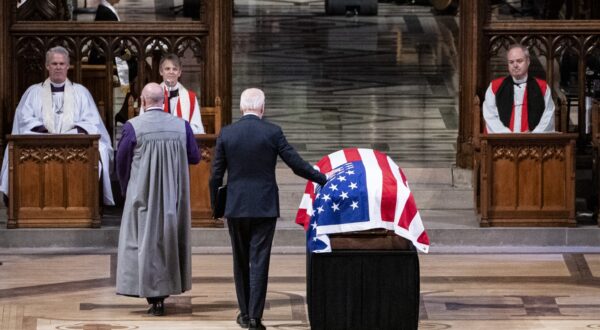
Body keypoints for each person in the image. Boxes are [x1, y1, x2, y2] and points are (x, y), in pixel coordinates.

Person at [209, 88, 327, 330]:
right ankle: (255, 317)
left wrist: (216, 207)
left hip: (236, 206)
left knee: (240, 262)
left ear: (241, 108)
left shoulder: (227, 134)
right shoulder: (272, 132)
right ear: (262, 109)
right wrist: (322, 179)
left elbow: (215, 176)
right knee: (259, 261)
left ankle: (243, 313)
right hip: (264, 206)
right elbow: (296, 164)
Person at [115, 82, 200, 317]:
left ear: (142, 101)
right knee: (168, 240)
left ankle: (153, 296)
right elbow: (194, 157)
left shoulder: (133, 127)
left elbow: (121, 162)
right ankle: (162, 294)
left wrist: (126, 188)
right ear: (164, 100)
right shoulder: (181, 126)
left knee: (144, 242)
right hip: (174, 195)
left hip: (142, 194)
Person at [0, 46, 114, 205]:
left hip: (74, 142)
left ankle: (83, 204)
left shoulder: (81, 92)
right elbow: (23, 119)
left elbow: (92, 121)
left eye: (62, 63)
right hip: (40, 140)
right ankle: (27, 204)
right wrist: (44, 129)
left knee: (98, 149)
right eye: (54, 63)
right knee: (13, 149)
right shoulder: (33, 92)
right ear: (47, 66)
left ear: (68, 66)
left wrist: (72, 130)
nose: (58, 67)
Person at [483, 44, 556, 133]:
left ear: (528, 61)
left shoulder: (542, 87)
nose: (515, 65)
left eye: (519, 61)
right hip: (503, 143)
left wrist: (534, 134)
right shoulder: (495, 87)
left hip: (533, 143)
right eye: (511, 62)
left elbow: (548, 115)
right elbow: (490, 116)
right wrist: (507, 135)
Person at [140, 53, 205, 134]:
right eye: (167, 69)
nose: (171, 72)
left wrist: (177, 128)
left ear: (179, 72)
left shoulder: (190, 97)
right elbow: (142, 125)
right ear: (161, 71)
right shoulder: (150, 94)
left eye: (175, 69)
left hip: (181, 144)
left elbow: (198, 129)